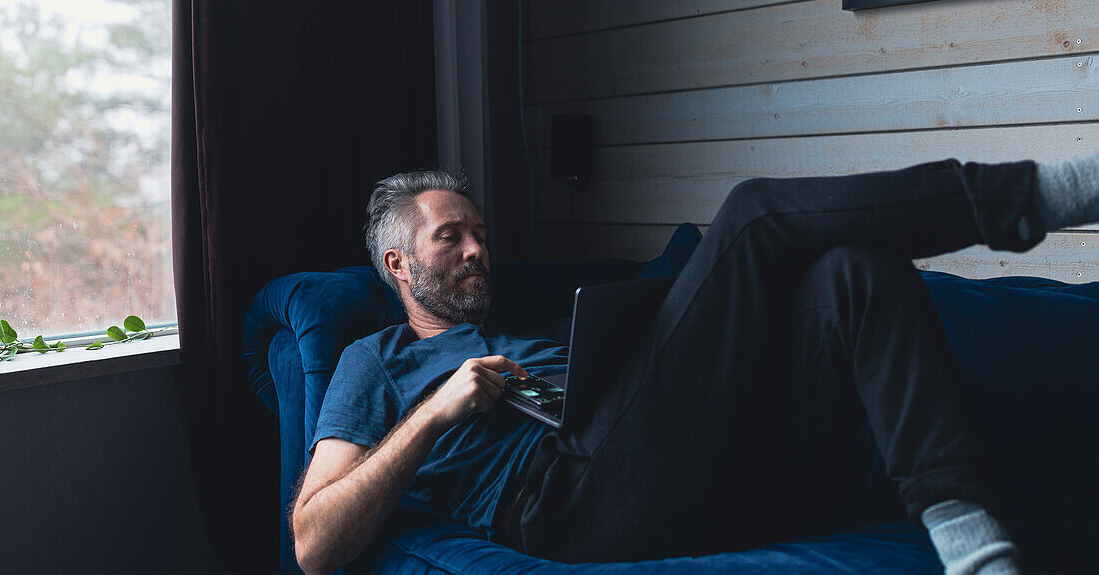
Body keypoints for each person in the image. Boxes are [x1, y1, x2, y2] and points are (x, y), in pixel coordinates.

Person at [290, 157, 1099, 575]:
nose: (477, 249)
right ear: (399, 264)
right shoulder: (377, 361)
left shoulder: (531, 327)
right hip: (566, 504)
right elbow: (314, 543)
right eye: (451, 238)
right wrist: (434, 412)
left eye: (480, 233)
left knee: (855, 273)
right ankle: (1029, 196)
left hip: (696, 473)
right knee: (753, 211)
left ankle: (968, 536)